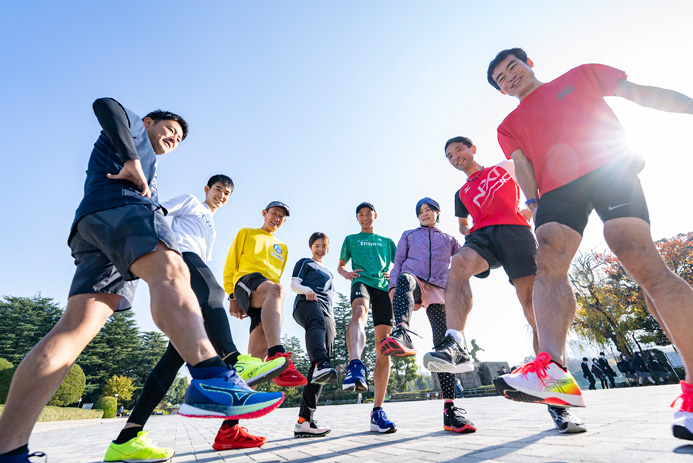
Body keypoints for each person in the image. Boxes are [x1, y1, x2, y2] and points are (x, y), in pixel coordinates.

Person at [0, 99, 283, 463]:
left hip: (94, 226)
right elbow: (105, 104)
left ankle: (9, 449)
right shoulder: (134, 134)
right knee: (174, 270)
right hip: (123, 210)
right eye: (170, 129)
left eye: (180, 138)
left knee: (75, 328)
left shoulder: (151, 167)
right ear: (148, 121)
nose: (174, 138)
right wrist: (133, 160)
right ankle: (213, 375)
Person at [487, 47, 693, 441]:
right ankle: (552, 370)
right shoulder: (509, 124)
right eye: (500, 78)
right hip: (557, 189)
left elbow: (640, 92)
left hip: (608, 164)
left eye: (512, 67)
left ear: (529, 64)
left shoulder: (580, 76)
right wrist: (533, 205)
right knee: (547, 254)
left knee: (635, 254)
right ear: (501, 90)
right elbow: (523, 166)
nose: (508, 77)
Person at [104, 175, 288, 461]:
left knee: (172, 360)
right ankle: (233, 359)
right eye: (218, 190)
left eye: (227, 193)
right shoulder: (192, 202)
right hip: (180, 256)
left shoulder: (211, 225)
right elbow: (157, 212)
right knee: (213, 291)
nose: (222, 196)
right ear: (207, 189)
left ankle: (126, 438)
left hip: (189, 268)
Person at [425, 137, 583, 432]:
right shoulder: (461, 193)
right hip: (482, 237)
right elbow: (462, 224)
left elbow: (533, 181)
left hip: (515, 233)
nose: (455, 156)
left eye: (459, 150)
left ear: (472, 149)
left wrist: (529, 209)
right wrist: (468, 229)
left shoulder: (504, 167)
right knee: (458, 263)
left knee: (532, 308)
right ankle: (455, 342)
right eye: (449, 155)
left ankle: (557, 398)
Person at [378, 197, 474, 433]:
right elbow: (398, 262)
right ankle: (402, 332)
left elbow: (464, 261)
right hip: (413, 280)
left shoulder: (449, 240)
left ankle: (450, 411)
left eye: (428, 209)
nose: (424, 213)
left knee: (443, 347)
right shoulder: (409, 235)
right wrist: (393, 287)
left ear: (437, 212)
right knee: (404, 277)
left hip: (438, 289)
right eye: (420, 211)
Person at [223, 201, 307, 387]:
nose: (276, 218)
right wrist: (231, 296)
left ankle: (235, 410)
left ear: (284, 222)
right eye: (274, 213)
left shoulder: (282, 248)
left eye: (281, 217)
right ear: (264, 213)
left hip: (267, 293)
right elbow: (230, 264)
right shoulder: (246, 233)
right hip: (247, 281)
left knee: (256, 361)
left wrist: (272, 298)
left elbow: (276, 277)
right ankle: (277, 351)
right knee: (278, 289)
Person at [338, 202, 397, 433]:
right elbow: (341, 266)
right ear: (357, 218)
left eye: (368, 214)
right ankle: (355, 364)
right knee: (359, 312)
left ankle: (377, 411)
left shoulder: (387, 242)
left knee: (385, 347)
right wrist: (346, 273)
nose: (365, 218)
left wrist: (392, 273)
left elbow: (399, 264)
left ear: (375, 216)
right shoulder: (351, 239)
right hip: (361, 281)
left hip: (383, 288)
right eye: (360, 215)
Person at [291, 232, 337, 437]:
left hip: (326, 313)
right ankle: (321, 362)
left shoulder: (329, 272)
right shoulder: (305, 262)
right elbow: (294, 284)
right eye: (317, 245)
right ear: (311, 247)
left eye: (324, 246)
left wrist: (333, 321)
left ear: (328, 248)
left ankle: (304, 421)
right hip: (307, 303)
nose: (320, 249)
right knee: (321, 361)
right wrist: (307, 290)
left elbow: (329, 298)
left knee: (321, 366)